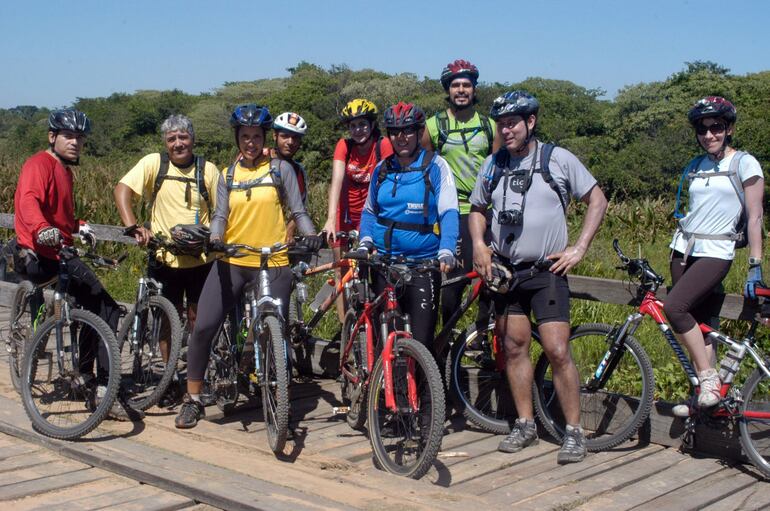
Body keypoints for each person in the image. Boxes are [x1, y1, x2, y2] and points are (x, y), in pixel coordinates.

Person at [469, 91, 608, 464]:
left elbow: (597, 199)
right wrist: (480, 246)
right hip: (506, 271)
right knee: (514, 347)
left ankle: (574, 432)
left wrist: (579, 248)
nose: (506, 129)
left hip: (546, 271)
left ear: (531, 122)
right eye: (501, 123)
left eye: (513, 122)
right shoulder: (492, 164)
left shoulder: (557, 159)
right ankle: (525, 424)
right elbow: (477, 208)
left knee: (557, 350)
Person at [175, 104, 322, 429]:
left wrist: (311, 235)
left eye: (257, 137)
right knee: (204, 328)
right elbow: (220, 216)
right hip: (233, 260)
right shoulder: (229, 175)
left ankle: (275, 391)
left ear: (264, 137)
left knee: (276, 330)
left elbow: (298, 212)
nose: (251, 142)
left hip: (274, 262)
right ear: (237, 138)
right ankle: (193, 399)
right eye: (245, 137)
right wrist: (215, 238)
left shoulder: (280, 170)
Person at [14, 109, 139, 421]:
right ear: (52, 136)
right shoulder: (38, 164)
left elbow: (62, 218)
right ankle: (102, 390)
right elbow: (29, 201)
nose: (75, 142)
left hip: (59, 250)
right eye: (69, 136)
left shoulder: (64, 171)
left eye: (80, 138)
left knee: (91, 306)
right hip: (40, 254)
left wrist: (78, 225)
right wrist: (42, 228)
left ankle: (83, 376)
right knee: (107, 307)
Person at [667, 97, 764, 416]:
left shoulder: (744, 163)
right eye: (702, 129)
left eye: (716, 128)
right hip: (683, 250)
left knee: (675, 308)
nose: (709, 135)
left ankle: (709, 378)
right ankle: (708, 397)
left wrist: (755, 263)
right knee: (700, 323)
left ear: (729, 129)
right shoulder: (696, 166)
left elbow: (754, 216)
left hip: (716, 252)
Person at [114, 114, 220, 405]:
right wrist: (134, 225)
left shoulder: (208, 170)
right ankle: (170, 377)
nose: (178, 143)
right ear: (165, 142)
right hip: (164, 256)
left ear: (193, 139)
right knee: (165, 321)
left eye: (183, 137)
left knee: (201, 322)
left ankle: (199, 375)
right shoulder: (154, 164)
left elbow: (224, 209)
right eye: (172, 138)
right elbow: (122, 190)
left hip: (201, 259)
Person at [358, 101, 459, 352]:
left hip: (422, 265)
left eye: (407, 131)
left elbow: (448, 211)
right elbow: (370, 212)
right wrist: (365, 241)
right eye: (394, 132)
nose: (401, 137)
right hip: (384, 264)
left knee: (422, 341)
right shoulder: (382, 169)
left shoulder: (436, 166)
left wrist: (446, 249)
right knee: (388, 341)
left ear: (419, 131)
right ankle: (390, 390)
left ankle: (425, 391)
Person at [422, 59, 500, 327]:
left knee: (488, 280)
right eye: (456, 85)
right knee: (451, 285)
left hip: (482, 213)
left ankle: (481, 341)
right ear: (448, 89)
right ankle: (449, 339)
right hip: (449, 214)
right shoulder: (433, 126)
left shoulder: (490, 126)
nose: (461, 90)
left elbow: (499, 166)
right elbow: (424, 169)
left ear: (475, 89)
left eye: (467, 85)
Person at [322, 99, 394, 320]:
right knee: (341, 270)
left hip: (372, 215)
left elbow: (392, 183)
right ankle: (345, 326)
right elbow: (336, 181)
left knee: (375, 267)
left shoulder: (382, 146)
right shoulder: (345, 145)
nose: (357, 130)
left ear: (372, 125)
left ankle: (373, 321)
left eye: (362, 124)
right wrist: (330, 219)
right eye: (353, 126)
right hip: (345, 213)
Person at [270, 112, 309, 241]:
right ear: (275, 136)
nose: (290, 142)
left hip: (280, 238)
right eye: (285, 136)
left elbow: (300, 207)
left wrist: (289, 231)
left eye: (295, 137)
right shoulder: (261, 162)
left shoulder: (298, 171)